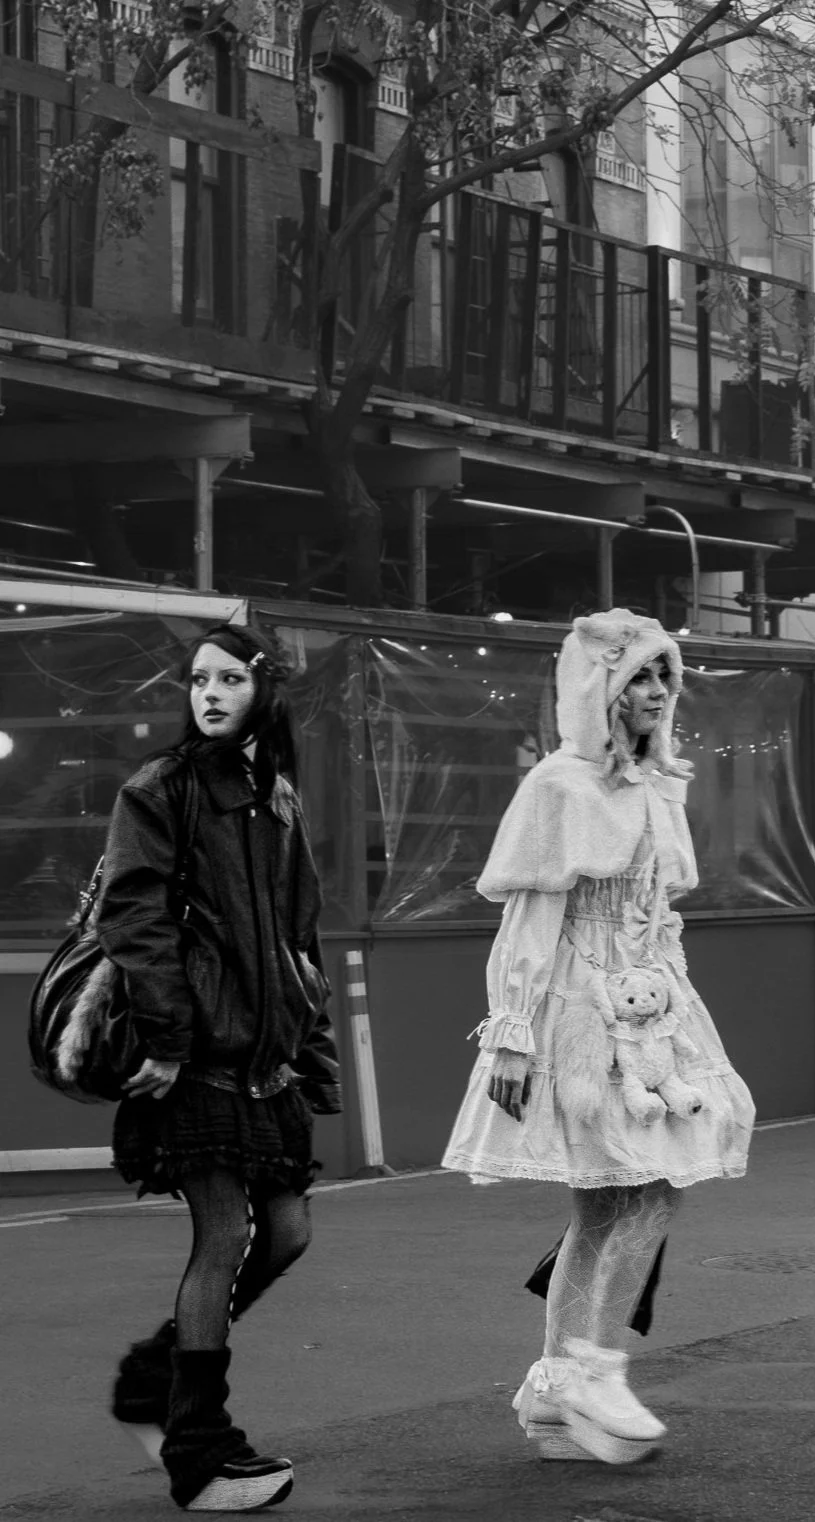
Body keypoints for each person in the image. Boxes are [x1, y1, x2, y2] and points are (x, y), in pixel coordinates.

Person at [443, 609, 755, 1465]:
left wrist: (678, 1016)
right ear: (600, 691)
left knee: (620, 1195)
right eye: (638, 679)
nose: (656, 693)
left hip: (653, 1005)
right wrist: (510, 1034)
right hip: (579, 1011)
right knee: (642, 1187)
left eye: (665, 678)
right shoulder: (558, 785)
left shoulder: (659, 786)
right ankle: (591, 1368)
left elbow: (658, 917)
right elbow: (530, 920)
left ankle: (557, 1386)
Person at [97, 622, 341, 1513]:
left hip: (263, 1056)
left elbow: (297, 938)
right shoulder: (158, 788)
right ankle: (199, 1454)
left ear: (261, 690)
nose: (208, 693)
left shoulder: (275, 792)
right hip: (195, 1053)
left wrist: (312, 1057)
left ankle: (154, 1378)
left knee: (288, 1234)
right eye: (198, 679)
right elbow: (135, 917)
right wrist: (165, 1036)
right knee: (226, 1234)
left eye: (229, 678)